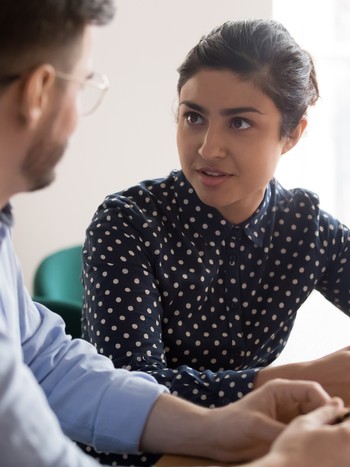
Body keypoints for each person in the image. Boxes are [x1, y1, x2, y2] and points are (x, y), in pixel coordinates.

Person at [2, 4, 350, 466]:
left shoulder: (304, 227)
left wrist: (220, 430)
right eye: (193, 117)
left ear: (292, 134)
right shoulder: (130, 222)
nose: (208, 148)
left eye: (240, 122)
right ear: (39, 91)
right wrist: (284, 428)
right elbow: (116, 388)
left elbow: (50, 365)